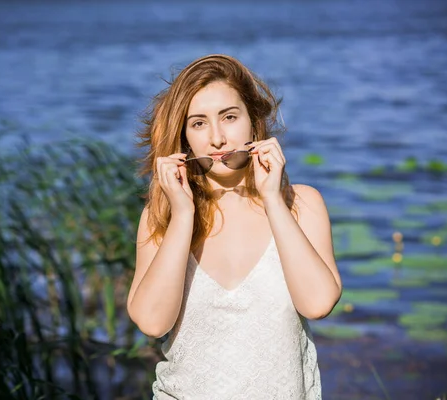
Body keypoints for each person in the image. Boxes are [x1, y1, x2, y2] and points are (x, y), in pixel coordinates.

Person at [127, 54, 341, 399]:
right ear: (184, 139)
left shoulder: (300, 204)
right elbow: (152, 322)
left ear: (253, 122)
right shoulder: (162, 216)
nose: (217, 139)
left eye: (229, 117)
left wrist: (272, 199)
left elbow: (317, 304)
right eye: (198, 123)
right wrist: (183, 216)